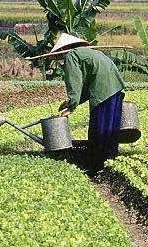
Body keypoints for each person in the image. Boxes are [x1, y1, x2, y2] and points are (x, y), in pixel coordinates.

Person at [31, 33, 125, 171]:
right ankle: (110, 161)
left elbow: (74, 81)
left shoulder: (72, 56)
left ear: (66, 48)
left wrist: (72, 104)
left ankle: (96, 166)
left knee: (98, 129)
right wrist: (72, 102)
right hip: (116, 88)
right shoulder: (90, 53)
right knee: (110, 129)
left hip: (103, 91)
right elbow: (87, 86)